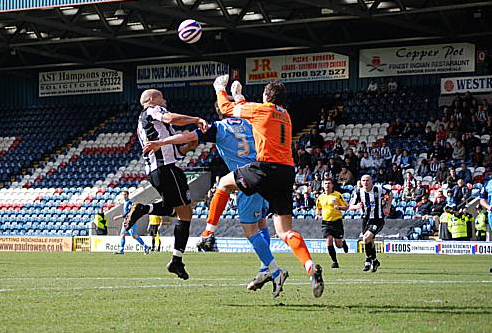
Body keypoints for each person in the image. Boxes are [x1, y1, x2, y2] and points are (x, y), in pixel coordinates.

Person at [143, 89, 288, 298]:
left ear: (219, 111)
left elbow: (188, 135)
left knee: (250, 230)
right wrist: (237, 94)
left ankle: (274, 271)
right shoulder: (250, 122)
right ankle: (265, 269)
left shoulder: (218, 128)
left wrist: (161, 143)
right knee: (261, 223)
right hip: (265, 174)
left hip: (246, 179)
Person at [199, 74, 324, 297]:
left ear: (266, 96)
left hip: (265, 167)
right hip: (286, 171)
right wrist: (239, 97)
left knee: (224, 184)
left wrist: (220, 89)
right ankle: (309, 266)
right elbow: (248, 112)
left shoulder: (261, 109)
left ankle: (209, 232)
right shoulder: (285, 115)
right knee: (285, 231)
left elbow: (226, 109)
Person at [123, 89, 207, 280]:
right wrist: (195, 119)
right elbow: (171, 118)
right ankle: (176, 259)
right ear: (152, 100)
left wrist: (191, 143)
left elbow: (177, 150)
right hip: (166, 169)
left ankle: (146, 209)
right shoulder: (152, 111)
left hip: (160, 170)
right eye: (161, 96)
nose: (165, 100)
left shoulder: (150, 124)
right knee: (184, 213)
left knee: (178, 211)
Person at [348, 175, 392, 272]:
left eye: (367, 180)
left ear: (371, 181)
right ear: (361, 182)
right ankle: (375, 261)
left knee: (366, 238)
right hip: (365, 220)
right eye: (363, 180)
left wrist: (388, 207)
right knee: (369, 241)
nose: (365, 182)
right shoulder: (358, 192)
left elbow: (390, 193)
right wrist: (357, 206)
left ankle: (368, 260)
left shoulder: (378, 189)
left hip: (377, 218)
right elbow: (350, 206)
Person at [316, 178, 349, 268]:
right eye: (325, 183)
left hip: (337, 222)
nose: (327, 185)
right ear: (323, 185)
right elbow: (318, 208)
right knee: (329, 241)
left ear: (332, 185)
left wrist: (339, 207)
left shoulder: (337, 195)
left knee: (338, 245)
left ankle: (343, 243)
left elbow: (346, 207)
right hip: (326, 223)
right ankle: (335, 262)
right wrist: (317, 215)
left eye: (329, 183)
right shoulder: (320, 197)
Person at [113, 191, 149, 255]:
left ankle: (146, 247)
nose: (124, 196)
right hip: (125, 221)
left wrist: (118, 217)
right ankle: (121, 250)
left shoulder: (129, 203)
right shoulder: (125, 202)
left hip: (130, 222)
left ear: (128, 195)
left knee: (134, 236)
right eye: (123, 195)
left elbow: (127, 213)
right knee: (122, 235)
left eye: (125, 194)